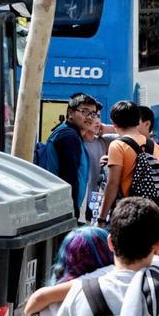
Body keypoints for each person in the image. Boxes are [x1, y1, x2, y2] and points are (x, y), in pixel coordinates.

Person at [96, 100, 159, 225]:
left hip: (128, 214)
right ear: (137, 120)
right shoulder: (154, 146)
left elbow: (113, 184)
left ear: (114, 123)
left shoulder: (117, 145)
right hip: (151, 212)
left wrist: (101, 218)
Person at [43, 93, 99, 221]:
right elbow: (69, 177)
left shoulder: (69, 133)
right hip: (63, 212)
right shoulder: (69, 136)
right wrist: (72, 214)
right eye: (84, 111)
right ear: (70, 113)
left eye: (93, 113)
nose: (89, 117)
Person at [81, 118, 109, 222]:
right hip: (83, 203)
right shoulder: (78, 142)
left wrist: (106, 128)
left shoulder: (103, 140)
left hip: (99, 202)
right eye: (93, 117)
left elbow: (125, 133)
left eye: (98, 116)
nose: (97, 121)